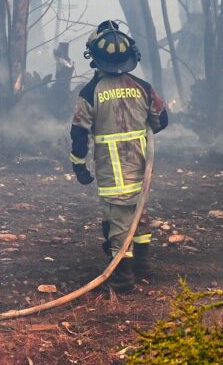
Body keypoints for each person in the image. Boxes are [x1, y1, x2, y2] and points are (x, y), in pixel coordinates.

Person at [69, 20, 169, 293]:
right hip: (141, 167)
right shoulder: (143, 86)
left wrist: (79, 166)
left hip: (112, 171)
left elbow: (79, 133)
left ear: (95, 58)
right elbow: (162, 120)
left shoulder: (90, 92)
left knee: (118, 221)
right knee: (140, 214)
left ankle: (123, 279)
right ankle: (143, 267)